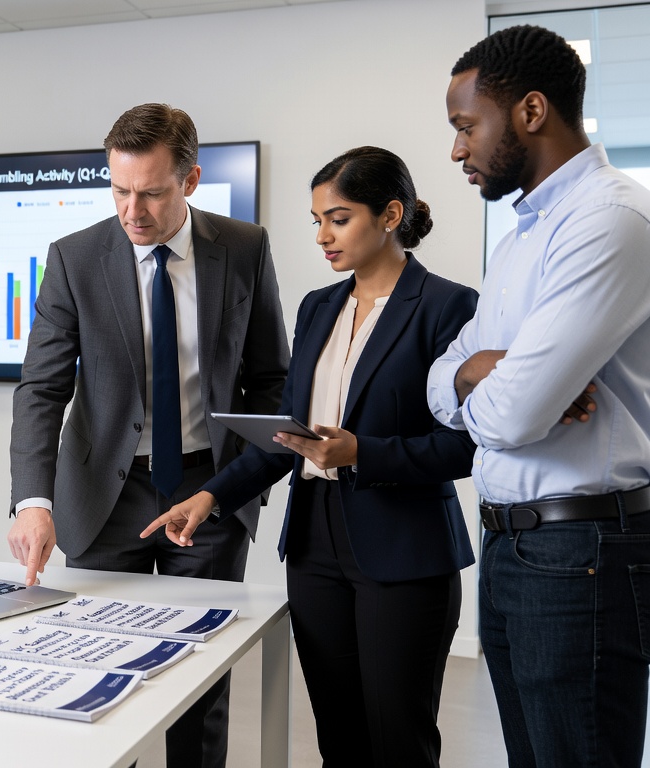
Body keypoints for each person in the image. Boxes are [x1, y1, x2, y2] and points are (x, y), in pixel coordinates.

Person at [143, 146, 477, 767]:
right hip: (315, 543)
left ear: (390, 214)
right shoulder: (318, 307)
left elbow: (464, 444)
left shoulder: (448, 307)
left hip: (404, 549)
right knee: (339, 738)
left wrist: (361, 453)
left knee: (398, 740)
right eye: (317, 219)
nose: (323, 235)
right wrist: (212, 495)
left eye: (339, 218)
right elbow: (288, 439)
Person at [7, 103, 289, 768]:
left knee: (198, 682)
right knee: (99, 678)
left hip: (206, 491)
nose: (133, 210)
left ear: (189, 180)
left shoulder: (243, 249)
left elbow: (272, 379)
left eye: (153, 193)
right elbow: (41, 389)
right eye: (120, 190)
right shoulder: (75, 259)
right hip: (103, 496)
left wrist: (231, 488)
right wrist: (33, 501)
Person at [427, 25, 650, 768]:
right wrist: (480, 371)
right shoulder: (521, 236)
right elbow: (441, 380)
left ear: (529, 111)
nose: (458, 150)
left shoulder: (610, 219)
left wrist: (497, 385)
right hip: (515, 546)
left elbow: (512, 415)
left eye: (466, 126)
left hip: (581, 550)